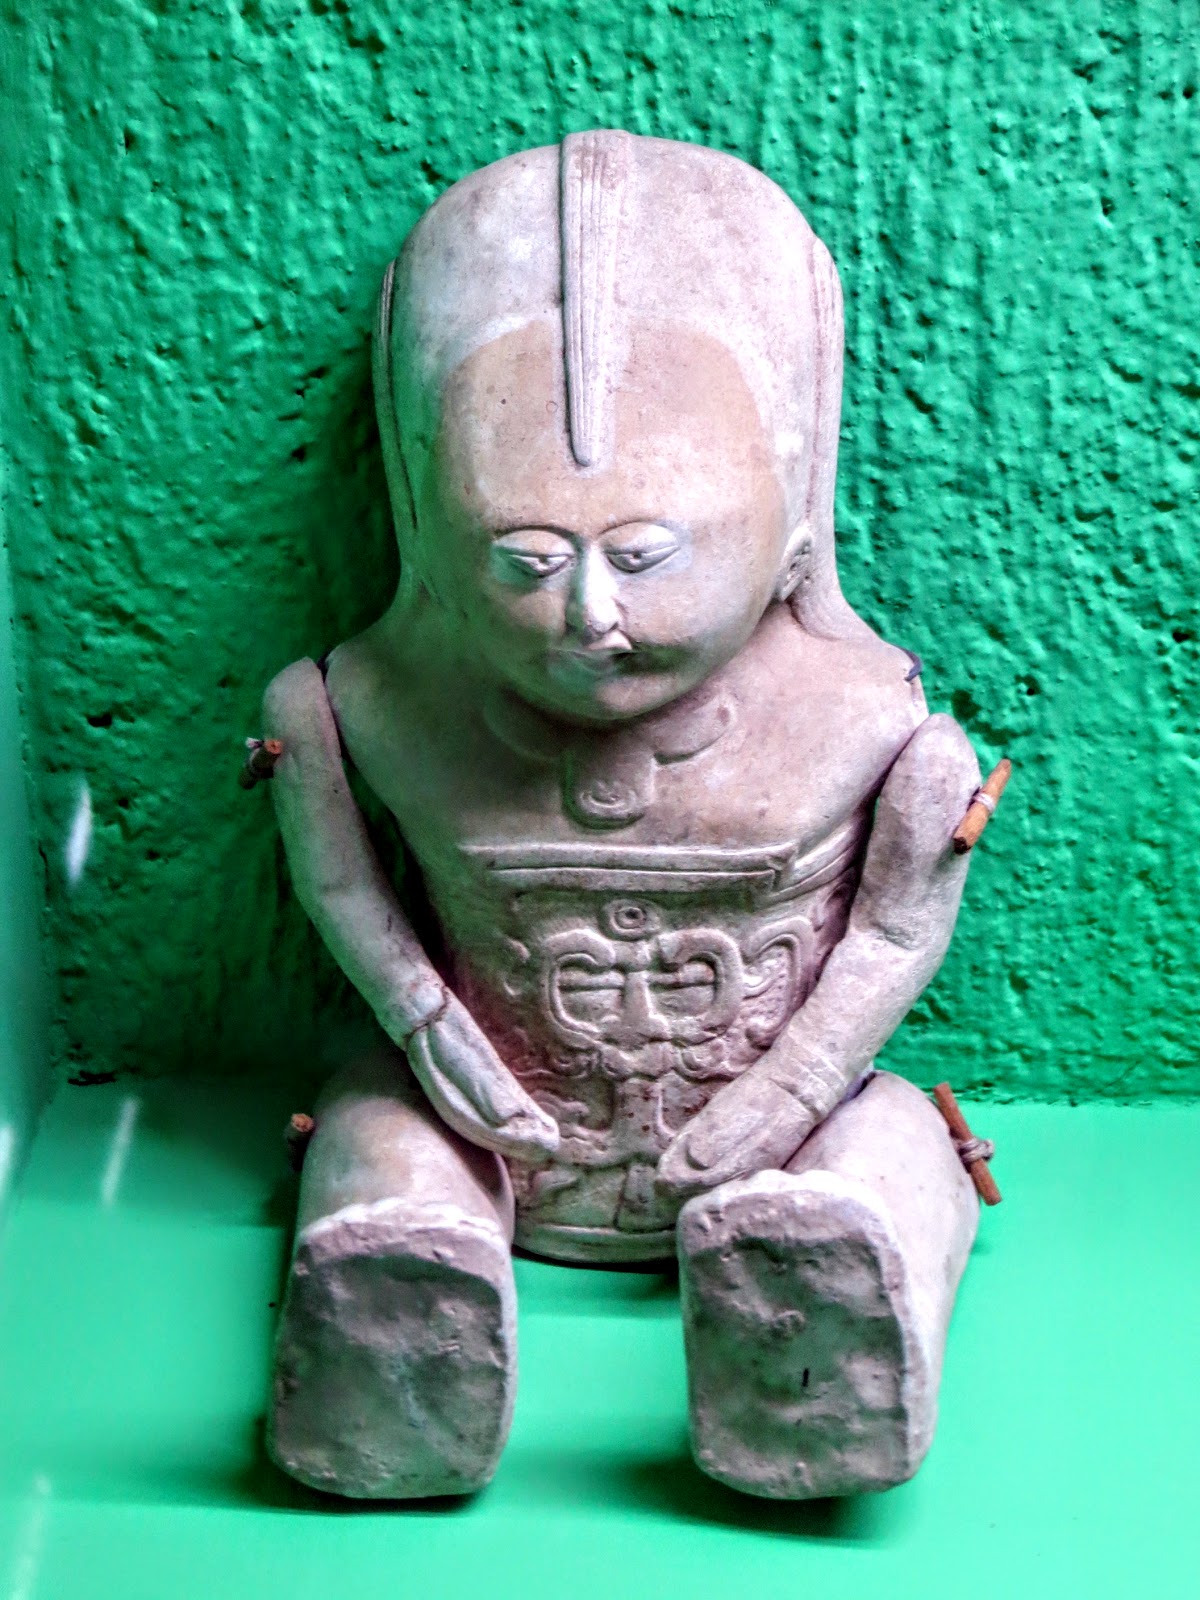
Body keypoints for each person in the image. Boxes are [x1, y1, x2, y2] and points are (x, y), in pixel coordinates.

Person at [262, 131, 982, 1501]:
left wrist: (791, 1090)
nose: (591, 616)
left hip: (783, 1123)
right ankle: (402, 1286)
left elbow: (893, 933)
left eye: (647, 555)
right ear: (429, 514)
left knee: (888, 1140)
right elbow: (342, 887)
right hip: (487, 1122)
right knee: (382, 1133)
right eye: (527, 558)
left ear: (788, 510)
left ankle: (828, 1283)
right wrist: (425, 1028)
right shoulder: (363, 708)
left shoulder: (867, 718)